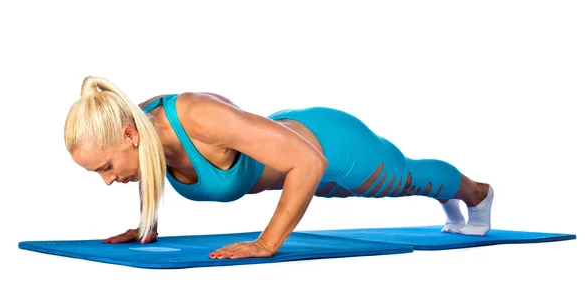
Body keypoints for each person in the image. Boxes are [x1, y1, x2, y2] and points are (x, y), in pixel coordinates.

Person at [65, 76, 494, 260]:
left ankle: (476, 194)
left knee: (405, 179)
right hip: (289, 157)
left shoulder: (196, 117)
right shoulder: (142, 127)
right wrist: (146, 226)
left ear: (128, 135)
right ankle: (453, 200)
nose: (108, 180)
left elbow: (309, 160)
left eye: (105, 167)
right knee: (388, 182)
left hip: (329, 144)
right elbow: (151, 166)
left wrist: (268, 243)